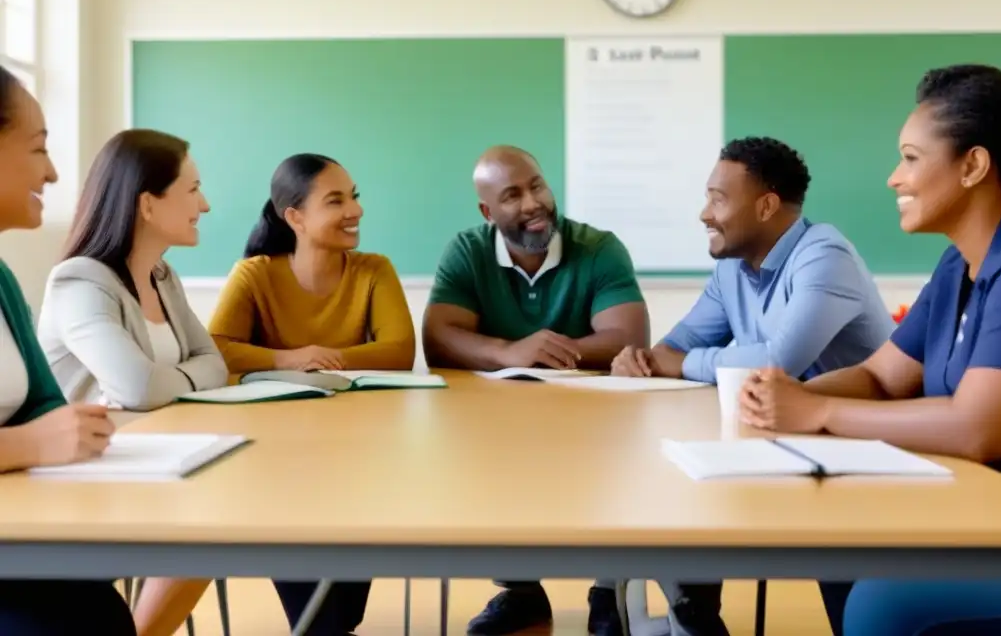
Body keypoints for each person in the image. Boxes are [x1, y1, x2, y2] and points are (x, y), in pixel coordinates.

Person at [739, 64, 1001, 636]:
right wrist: (788, 397)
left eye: (912, 158)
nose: (895, 178)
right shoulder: (958, 264)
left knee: (882, 605)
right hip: (983, 511)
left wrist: (815, 412)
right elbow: (882, 377)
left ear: (973, 165)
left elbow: (983, 428)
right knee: (836, 547)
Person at [611, 136, 895, 636]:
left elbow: (776, 362)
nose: (704, 213)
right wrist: (647, 359)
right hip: (775, 436)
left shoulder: (823, 253)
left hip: (858, 452)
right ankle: (693, 614)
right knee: (676, 471)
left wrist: (680, 363)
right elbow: (674, 348)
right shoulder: (731, 269)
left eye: (718, 199)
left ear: (766, 206)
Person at [423, 145, 649, 636]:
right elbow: (440, 337)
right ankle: (522, 593)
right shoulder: (467, 250)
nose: (532, 203)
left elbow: (629, 338)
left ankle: (609, 589)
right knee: (484, 469)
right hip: (498, 423)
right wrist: (509, 352)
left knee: (614, 469)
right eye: (511, 195)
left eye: (537, 186)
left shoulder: (599, 248)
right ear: (488, 211)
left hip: (592, 421)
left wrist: (550, 349)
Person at [207, 152, 416, 635]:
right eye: (336, 200)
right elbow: (216, 349)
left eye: (355, 197)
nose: (356, 210)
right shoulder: (255, 274)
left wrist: (323, 357)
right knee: (323, 614)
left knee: (341, 608)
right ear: (295, 217)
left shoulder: (373, 269)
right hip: (275, 454)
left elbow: (400, 351)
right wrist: (290, 357)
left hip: (359, 446)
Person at [0, 64, 136, 633]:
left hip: (23, 535)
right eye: (38, 149)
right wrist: (26, 444)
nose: (54, 173)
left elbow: (46, 408)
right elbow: (38, 430)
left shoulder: (2, 280)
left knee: (96, 611)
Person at [38, 129, 228, 411]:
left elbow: (215, 364)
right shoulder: (80, 283)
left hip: (161, 438)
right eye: (192, 189)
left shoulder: (163, 278)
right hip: (100, 451)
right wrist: (189, 377)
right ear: (147, 205)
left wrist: (163, 383)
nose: (205, 204)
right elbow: (138, 390)